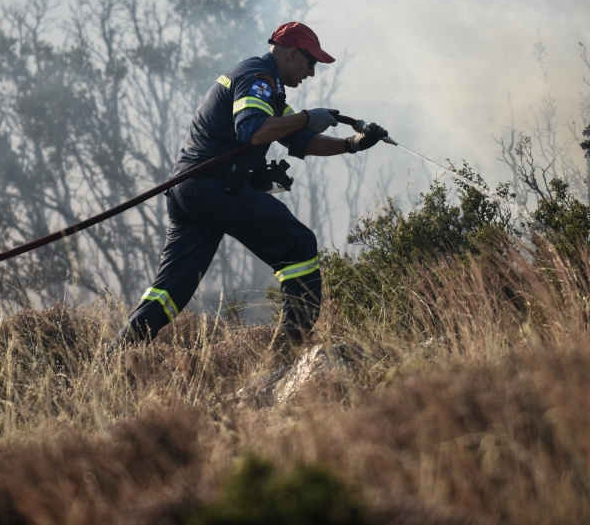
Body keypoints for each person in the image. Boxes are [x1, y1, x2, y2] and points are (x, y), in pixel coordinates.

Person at [110, 21, 388, 356]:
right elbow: (254, 131)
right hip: (213, 188)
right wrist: (304, 117)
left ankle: (109, 363)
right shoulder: (258, 78)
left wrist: (353, 143)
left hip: (189, 192)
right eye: (311, 62)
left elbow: (299, 140)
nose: (312, 73)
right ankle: (290, 353)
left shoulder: (268, 87)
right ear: (291, 53)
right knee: (299, 245)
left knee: (168, 293)